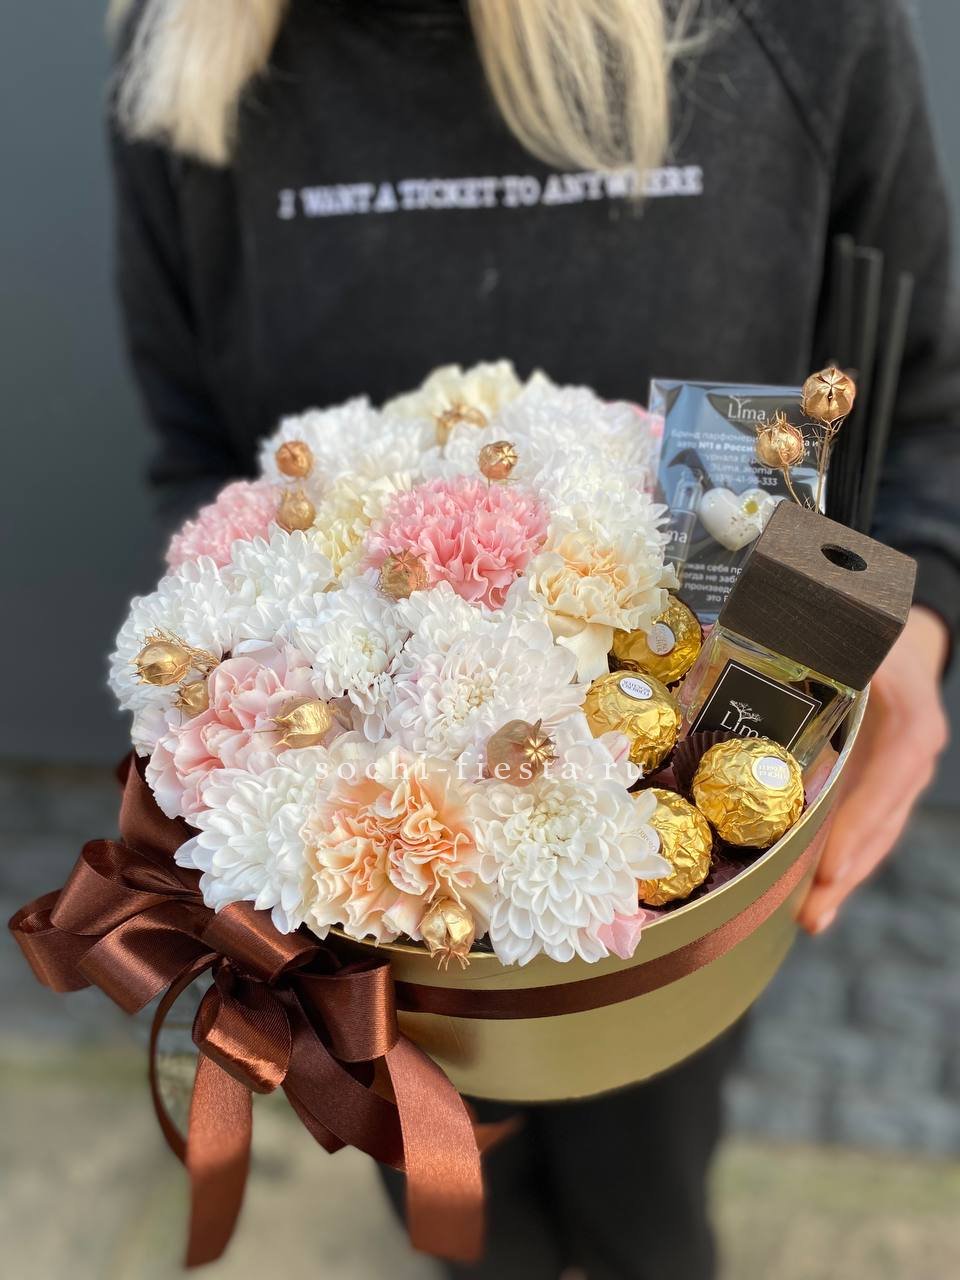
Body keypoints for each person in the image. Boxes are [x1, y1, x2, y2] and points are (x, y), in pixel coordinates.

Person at [108, 1, 957, 1275]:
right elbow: (197, 456)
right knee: (462, 1225)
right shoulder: (183, 49)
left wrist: (919, 629)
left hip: (688, 867)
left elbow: (926, 411)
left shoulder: (797, 24)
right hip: (382, 921)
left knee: (650, 1209)